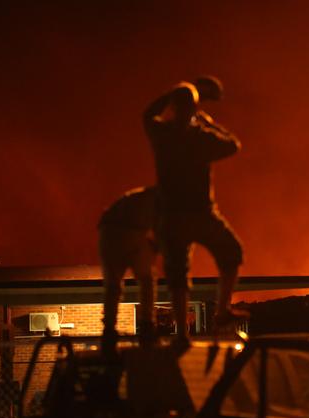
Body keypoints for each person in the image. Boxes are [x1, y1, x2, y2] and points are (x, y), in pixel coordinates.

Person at [143, 76, 247, 345]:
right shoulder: (200, 137)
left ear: (173, 108)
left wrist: (171, 93)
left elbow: (147, 115)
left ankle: (181, 335)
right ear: (193, 109)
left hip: (171, 216)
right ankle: (222, 310)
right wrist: (205, 121)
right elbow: (233, 144)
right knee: (231, 252)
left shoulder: (162, 135)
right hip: (201, 213)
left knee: (177, 274)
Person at [98, 186, 158, 353]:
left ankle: (109, 330)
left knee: (112, 285)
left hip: (107, 232)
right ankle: (147, 325)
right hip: (131, 232)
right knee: (147, 280)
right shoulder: (165, 201)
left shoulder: (138, 198)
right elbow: (164, 233)